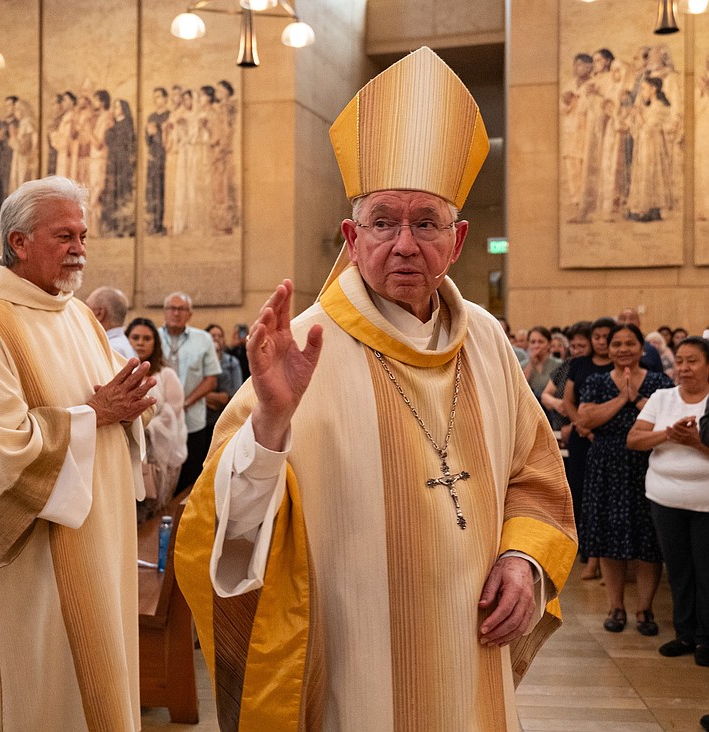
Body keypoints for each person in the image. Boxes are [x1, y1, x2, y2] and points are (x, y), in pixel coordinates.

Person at [174, 47, 577, 730]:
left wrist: (522, 560)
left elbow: (535, 477)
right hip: (354, 664)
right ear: (352, 236)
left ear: (459, 239)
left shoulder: (484, 340)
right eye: (384, 221)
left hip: (468, 656)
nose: (404, 244)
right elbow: (224, 538)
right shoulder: (303, 347)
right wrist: (271, 423)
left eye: (427, 223)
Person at [0, 176, 155, 731]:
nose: (79, 249)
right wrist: (98, 415)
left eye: (83, 236)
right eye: (64, 235)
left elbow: (105, 411)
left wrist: (131, 410)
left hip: (100, 543)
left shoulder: (78, 316)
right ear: (18, 242)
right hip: (34, 564)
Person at [576, 324, 671, 635]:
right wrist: (623, 398)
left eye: (630, 343)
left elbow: (668, 420)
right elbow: (585, 419)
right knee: (608, 538)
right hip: (606, 466)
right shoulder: (596, 380)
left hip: (649, 464)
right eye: (616, 343)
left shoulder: (659, 382)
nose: (623, 349)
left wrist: (640, 402)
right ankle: (615, 607)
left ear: (642, 348)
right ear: (607, 348)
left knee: (648, 540)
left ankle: (645, 609)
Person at [627, 336, 709, 666]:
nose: (684, 368)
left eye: (693, 361)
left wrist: (697, 443)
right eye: (680, 361)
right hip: (665, 499)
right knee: (678, 570)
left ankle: (705, 638)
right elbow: (634, 439)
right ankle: (685, 632)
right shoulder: (662, 398)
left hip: (705, 503)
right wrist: (669, 434)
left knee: (706, 572)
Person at [563, 316, 616, 580]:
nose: (601, 341)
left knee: (605, 498)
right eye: (597, 337)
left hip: (608, 438)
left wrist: (597, 428)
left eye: (607, 337)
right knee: (581, 494)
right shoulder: (579, 364)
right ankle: (586, 552)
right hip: (581, 437)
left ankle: (603, 559)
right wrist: (580, 426)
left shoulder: (620, 366)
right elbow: (568, 399)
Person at [159, 291, 220, 491]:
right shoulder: (154, 337)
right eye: (172, 308)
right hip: (159, 421)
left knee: (190, 479)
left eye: (181, 309)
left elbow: (211, 380)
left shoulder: (203, 339)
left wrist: (185, 403)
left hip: (193, 420)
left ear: (190, 314)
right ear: (165, 311)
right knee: (159, 477)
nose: (176, 313)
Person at [126, 316, 187, 514]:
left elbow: (173, 410)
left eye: (147, 338)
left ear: (156, 343)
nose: (140, 342)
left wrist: (145, 426)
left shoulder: (166, 374)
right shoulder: (122, 371)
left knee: (156, 511)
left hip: (161, 451)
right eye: (135, 337)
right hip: (129, 450)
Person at [204, 323, 244, 441]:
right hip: (203, 420)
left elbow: (233, 396)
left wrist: (205, 396)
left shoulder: (232, 362)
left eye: (219, 336)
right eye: (212, 335)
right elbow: (192, 392)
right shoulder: (197, 362)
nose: (216, 338)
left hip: (225, 419)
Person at [523, 325, 563, 427]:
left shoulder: (559, 365)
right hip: (529, 414)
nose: (536, 346)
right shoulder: (522, 365)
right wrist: (531, 363)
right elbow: (521, 388)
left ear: (549, 344)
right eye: (533, 342)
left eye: (540, 342)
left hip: (553, 412)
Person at [86, 284, 134, 359]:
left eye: (87, 308)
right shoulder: (121, 343)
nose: (83, 313)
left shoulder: (111, 349)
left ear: (99, 313)